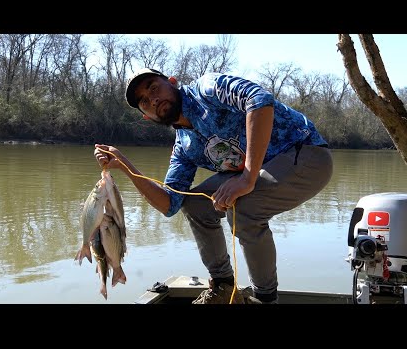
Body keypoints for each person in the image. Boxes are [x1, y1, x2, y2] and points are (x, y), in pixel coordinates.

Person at [94, 68, 333, 304]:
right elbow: (170, 204)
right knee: (195, 205)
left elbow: (259, 100)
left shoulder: (207, 89)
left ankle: (265, 299)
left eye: (154, 88)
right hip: (259, 172)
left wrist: (247, 179)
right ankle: (224, 287)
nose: (153, 99)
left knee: (245, 207)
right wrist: (125, 166)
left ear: (173, 82)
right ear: (146, 116)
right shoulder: (184, 147)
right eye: (144, 102)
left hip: (307, 153)